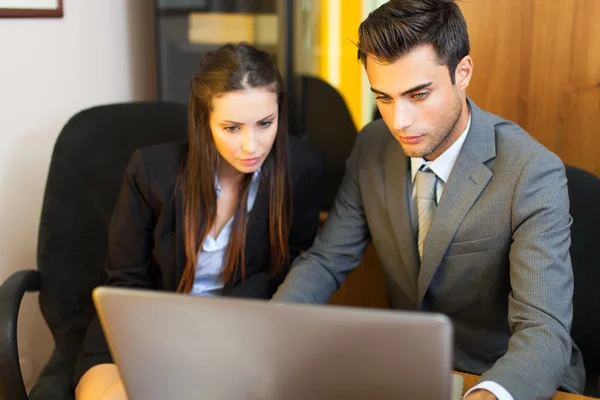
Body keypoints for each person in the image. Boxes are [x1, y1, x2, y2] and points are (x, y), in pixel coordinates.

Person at [272, 1, 585, 399]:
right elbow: (326, 261)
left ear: (463, 73)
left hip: (503, 378)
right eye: (383, 98)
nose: (399, 121)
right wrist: (273, 330)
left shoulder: (532, 171)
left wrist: (487, 394)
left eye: (418, 94)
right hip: (410, 371)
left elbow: (544, 331)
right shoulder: (371, 145)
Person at [74, 42, 324, 400]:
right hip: (140, 330)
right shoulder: (150, 171)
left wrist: (214, 336)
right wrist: (165, 351)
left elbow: (288, 269)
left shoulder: (303, 168)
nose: (252, 146)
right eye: (232, 128)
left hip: (240, 331)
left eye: (265, 124)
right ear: (204, 121)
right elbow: (126, 281)